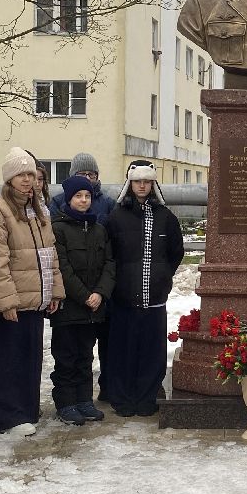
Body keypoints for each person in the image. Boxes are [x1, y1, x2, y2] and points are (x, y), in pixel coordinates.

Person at [0, 147, 65, 435]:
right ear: (9, 178)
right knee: (10, 360)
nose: (27, 180)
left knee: (31, 357)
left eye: (30, 174)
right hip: (15, 300)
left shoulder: (38, 209)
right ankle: (8, 416)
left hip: (37, 296)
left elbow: (50, 252)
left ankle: (27, 409)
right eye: (21, 174)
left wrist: (54, 291)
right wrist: (6, 301)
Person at [105, 162, 184, 417]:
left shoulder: (165, 217)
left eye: (147, 181)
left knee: (152, 352)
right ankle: (123, 398)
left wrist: (163, 276)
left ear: (152, 184)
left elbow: (176, 252)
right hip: (124, 298)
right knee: (124, 350)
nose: (142, 186)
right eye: (137, 181)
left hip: (155, 300)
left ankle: (147, 397)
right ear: (130, 183)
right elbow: (109, 255)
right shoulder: (116, 217)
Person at [50, 174, 115, 424]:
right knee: (66, 357)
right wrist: (85, 295)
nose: (84, 200)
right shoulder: (59, 228)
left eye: (87, 196)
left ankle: (84, 400)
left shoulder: (99, 229)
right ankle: (66, 403)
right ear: (69, 198)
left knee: (85, 356)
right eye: (78, 196)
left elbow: (109, 264)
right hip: (68, 308)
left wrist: (100, 293)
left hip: (93, 308)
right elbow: (62, 268)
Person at [47, 152, 116, 222]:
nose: (87, 178)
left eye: (91, 174)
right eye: (82, 174)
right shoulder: (58, 202)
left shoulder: (108, 203)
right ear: (72, 175)